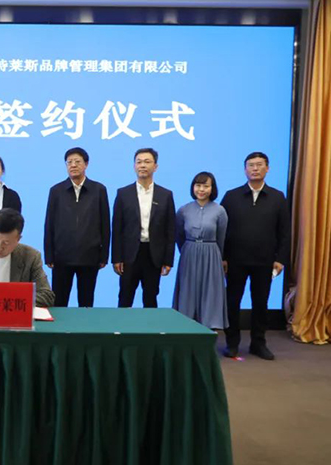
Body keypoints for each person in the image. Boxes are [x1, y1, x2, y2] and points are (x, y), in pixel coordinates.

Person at [220, 152, 289, 360]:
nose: (255, 169)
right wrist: (223, 257)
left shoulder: (277, 197)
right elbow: (221, 229)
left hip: (264, 261)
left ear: (267, 168)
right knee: (232, 302)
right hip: (235, 260)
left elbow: (285, 231)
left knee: (261, 303)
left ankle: (258, 343)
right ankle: (232, 343)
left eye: (259, 165)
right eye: (251, 165)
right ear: (245, 170)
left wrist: (280, 259)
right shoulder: (231, 196)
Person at [44, 147, 110, 307]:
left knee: (86, 302)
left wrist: (103, 256)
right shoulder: (56, 190)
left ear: (86, 164)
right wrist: (49, 255)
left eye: (77, 162)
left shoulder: (99, 190)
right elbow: (49, 224)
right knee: (59, 302)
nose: (73, 165)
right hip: (62, 256)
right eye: (69, 162)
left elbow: (105, 224)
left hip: (90, 256)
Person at [112, 148, 176, 308]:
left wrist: (168, 260)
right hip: (130, 254)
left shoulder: (165, 195)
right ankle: (122, 325)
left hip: (153, 254)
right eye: (139, 162)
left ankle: (151, 325)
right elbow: (117, 228)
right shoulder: (123, 193)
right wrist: (116, 258)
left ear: (155, 166)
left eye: (147, 162)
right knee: (125, 297)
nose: (142, 165)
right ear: (134, 166)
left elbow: (170, 230)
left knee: (151, 297)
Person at [172, 172, 229, 330]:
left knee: (210, 292)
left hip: (212, 255)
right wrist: (187, 249)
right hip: (189, 254)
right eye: (198, 185)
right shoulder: (184, 210)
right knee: (187, 291)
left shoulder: (219, 211)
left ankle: (209, 328)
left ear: (212, 188)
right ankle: (185, 328)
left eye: (206, 186)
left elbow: (221, 237)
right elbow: (179, 235)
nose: (201, 189)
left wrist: (219, 257)